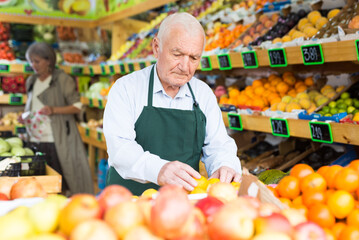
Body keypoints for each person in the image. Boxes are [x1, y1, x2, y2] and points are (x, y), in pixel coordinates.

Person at [103, 12, 241, 195]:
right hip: (128, 203)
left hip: (182, 206)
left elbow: (218, 145)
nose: (185, 67)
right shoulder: (126, 89)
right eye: (177, 54)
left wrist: (225, 165)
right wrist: (158, 169)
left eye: (194, 58)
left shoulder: (203, 94)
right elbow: (120, 149)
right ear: (156, 47)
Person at [22, 42, 93, 195]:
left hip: (57, 140)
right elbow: (32, 107)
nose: (33, 65)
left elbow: (77, 106)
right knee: (39, 183)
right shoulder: (31, 82)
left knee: (62, 182)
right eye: (31, 61)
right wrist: (25, 118)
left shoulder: (62, 80)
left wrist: (54, 110)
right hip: (35, 140)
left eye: (37, 61)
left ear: (48, 61)